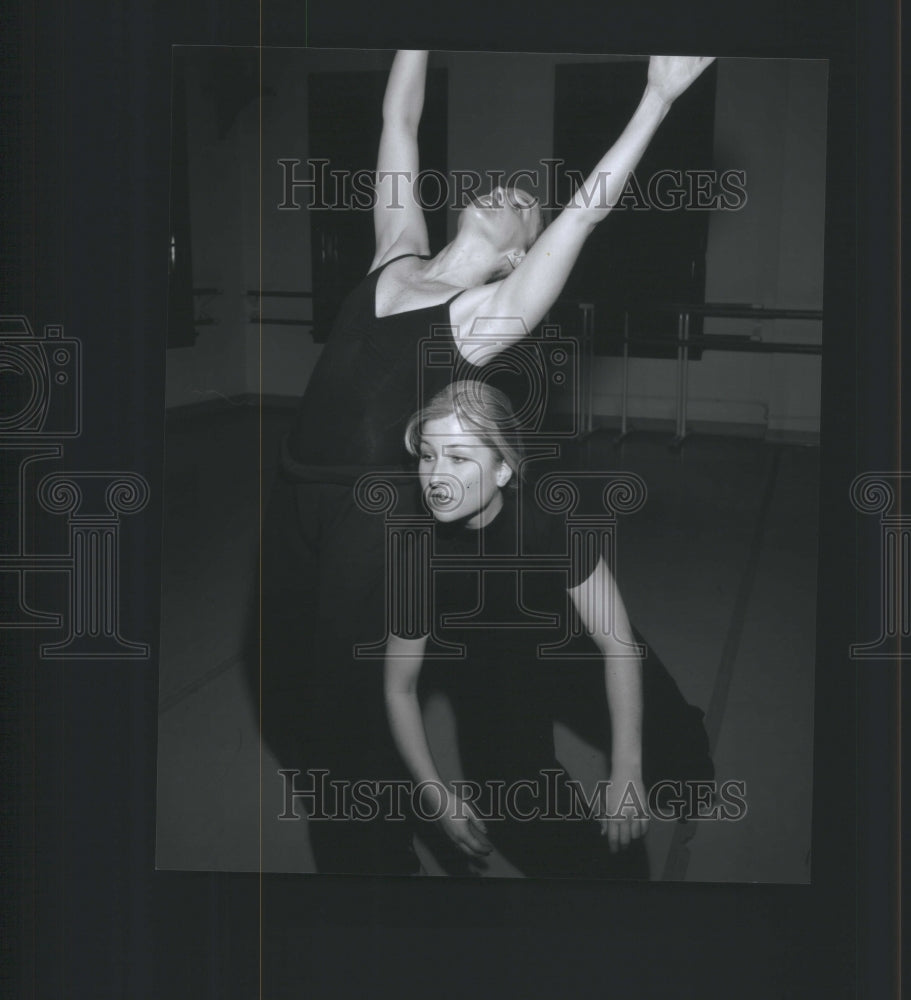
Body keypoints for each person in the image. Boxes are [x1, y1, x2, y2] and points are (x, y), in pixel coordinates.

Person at [251, 49, 715, 876]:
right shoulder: (393, 255)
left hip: (372, 522)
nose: (512, 193)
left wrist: (656, 99)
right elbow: (399, 118)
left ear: (514, 261)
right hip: (292, 504)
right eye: (506, 192)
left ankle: (377, 882)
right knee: (289, 688)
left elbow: (584, 215)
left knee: (357, 719)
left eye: (522, 210)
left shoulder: (486, 317)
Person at [383, 382, 713, 879]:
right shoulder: (418, 558)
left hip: (574, 651)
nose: (436, 478)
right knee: (529, 820)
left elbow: (617, 643)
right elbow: (399, 687)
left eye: (457, 458)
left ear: (503, 468)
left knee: (672, 738)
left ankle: (691, 787)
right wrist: (434, 794)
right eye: (428, 457)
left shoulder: (550, 528)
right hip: (497, 672)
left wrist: (626, 770)